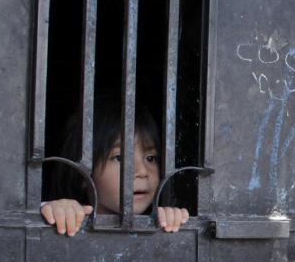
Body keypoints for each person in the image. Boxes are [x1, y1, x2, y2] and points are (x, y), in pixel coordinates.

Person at [41, 101, 189, 236]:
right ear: (83, 173)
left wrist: (172, 222)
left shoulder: (160, 222)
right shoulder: (67, 217)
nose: (142, 172)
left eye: (150, 158)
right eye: (119, 158)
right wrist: (56, 212)